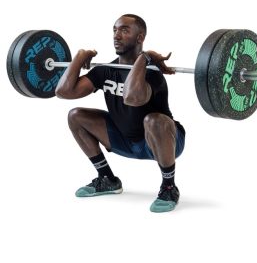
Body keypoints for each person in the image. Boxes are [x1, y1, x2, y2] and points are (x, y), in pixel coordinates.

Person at [55, 14, 185, 213]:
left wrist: (144, 58)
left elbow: (132, 97)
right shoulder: (106, 70)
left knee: (154, 120)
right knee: (75, 115)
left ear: (140, 37)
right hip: (124, 139)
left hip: (162, 141)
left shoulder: (152, 74)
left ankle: (169, 187)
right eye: (115, 30)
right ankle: (107, 179)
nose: (116, 35)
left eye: (124, 30)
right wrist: (80, 56)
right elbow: (64, 92)